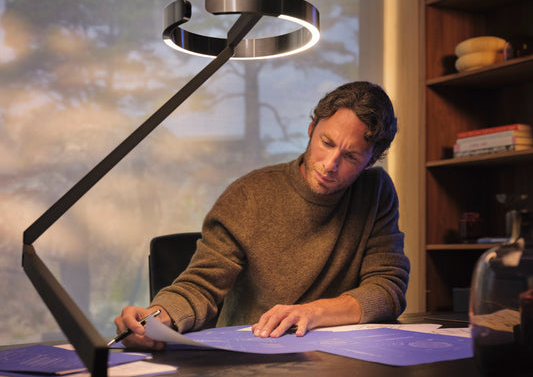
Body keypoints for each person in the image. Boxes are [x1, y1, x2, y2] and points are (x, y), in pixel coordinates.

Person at [114, 81, 410, 349]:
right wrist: (154, 318)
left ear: (370, 161)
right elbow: (201, 285)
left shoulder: (375, 191)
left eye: (351, 156)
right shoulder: (248, 195)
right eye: (327, 142)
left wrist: (313, 312)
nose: (330, 164)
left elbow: (387, 289)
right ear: (311, 129)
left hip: (336, 357)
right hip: (250, 353)